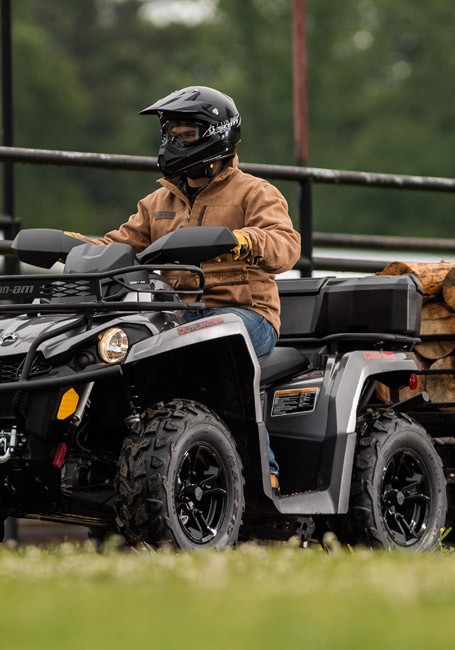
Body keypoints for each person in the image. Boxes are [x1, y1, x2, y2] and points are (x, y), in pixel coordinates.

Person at [71, 85, 300, 488]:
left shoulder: (255, 192)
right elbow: (119, 246)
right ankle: (112, 465)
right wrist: (73, 247)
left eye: (186, 135)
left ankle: (267, 474)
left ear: (218, 133)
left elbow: (286, 245)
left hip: (246, 315)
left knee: (211, 344)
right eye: (170, 134)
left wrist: (243, 241)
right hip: (178, 318)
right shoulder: (158, 201)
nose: (174, 142)